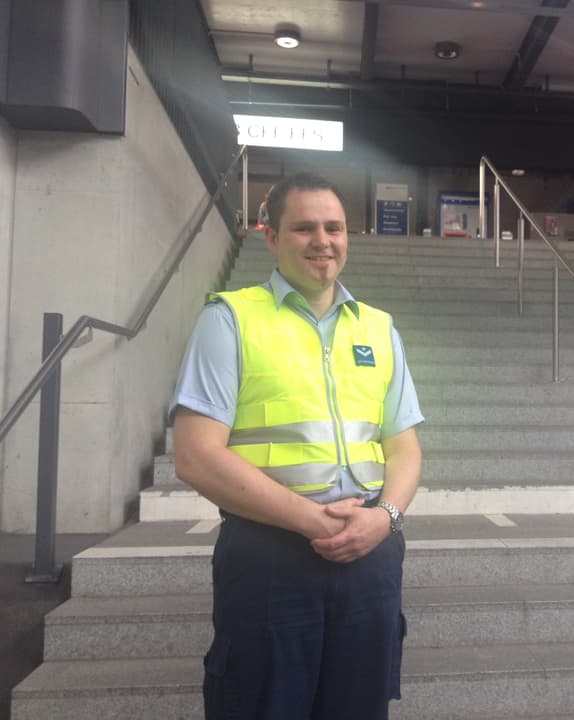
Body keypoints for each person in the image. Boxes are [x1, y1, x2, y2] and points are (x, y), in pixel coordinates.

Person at [170, 172, 424, 720]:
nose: (322, 241)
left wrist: (387, 517)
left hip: (370, 555)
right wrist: (313, 522)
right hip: (270, 555)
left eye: (334, 227)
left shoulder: (379, 329)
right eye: (304, 228)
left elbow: (404, 448)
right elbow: (195, 455)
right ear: (271, 236)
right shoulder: (230, 320)